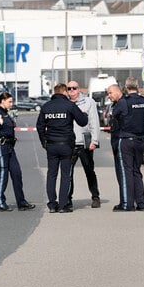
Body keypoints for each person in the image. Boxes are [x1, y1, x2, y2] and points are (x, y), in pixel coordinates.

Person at [36, 83, 88, 213]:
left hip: (51, 145)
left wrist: (44, 141)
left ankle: (52, 205)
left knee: (51, 174)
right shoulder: (70, 105)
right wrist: (84, 114)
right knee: (66, 175)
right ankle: (63, 204)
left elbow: (39, 126)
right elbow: (83, 121)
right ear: (64, 92)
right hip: (66, 145)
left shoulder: (46, 106)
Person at [0, 91, 36, 212]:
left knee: (17, 173)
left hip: (9, 147)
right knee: (3, 174)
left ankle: (21, 202)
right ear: (2, 101)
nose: (11, 103)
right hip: (0, 146)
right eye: (9, 101)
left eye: (11, 101)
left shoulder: (6, 114)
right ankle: (0, 203)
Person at [107, 79, 144, 212]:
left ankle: (126, 204)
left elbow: (114, 118)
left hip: (126, 139)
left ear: (125, 87)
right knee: (137, 172)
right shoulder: (143, 101)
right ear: (137, 86)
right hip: (140, 140)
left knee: (126, 172)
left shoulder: (123, 102)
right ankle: (141, 203)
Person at [66, 80, 102, 209]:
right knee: (68, 173)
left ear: (79, 89)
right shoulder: (65, 103)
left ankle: (95, 196)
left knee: (89, 171)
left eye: (74, 88)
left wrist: (95, 141)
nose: (71, 91)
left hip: (85, 142)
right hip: (70, 144)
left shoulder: (88, 102)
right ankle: (68, 198)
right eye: (69, 89)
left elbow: (94, 121)